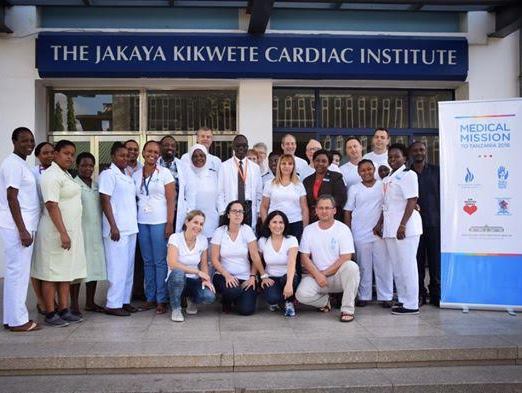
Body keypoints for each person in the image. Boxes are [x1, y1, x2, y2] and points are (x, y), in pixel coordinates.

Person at [32, 139, 87, 327]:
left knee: (65, 272)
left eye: (72, 154)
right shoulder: (50, 176)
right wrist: (63, 233)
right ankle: (50, 312)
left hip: (68, 232)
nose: (70, 157)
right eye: (66, 153)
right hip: (55, 233)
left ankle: (64, 309)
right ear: (55, 154)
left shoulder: (64, 174)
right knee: (50, 272)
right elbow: (51, 205)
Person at [0, 127, 41, 332]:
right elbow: (11, 197)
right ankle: (18, 321)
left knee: (15, 273)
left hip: (21, 225)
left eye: (31, 140)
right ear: (14, 141)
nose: (29, 144)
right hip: (18, 227)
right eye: (24, 141)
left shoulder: (20, 163)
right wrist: (23, 230)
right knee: (18, 274)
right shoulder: (12, 164)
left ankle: (11, 318)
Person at [374, 143, 422, 315]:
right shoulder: (389, 178)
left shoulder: (409, 175)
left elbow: (412, 200)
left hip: (405, 228)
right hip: (390, 228)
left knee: (407, 265)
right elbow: (386, 205)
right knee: (397, 266)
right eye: (390, 157)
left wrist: (402, 225)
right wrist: (380, 224)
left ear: (405, 158)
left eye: (396, 156)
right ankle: (403, 299)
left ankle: (411, 304)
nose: (392, 159)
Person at [296, 195, 360, 322]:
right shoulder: (309, 230)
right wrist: (317, 275)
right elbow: (304, 257)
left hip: (338, 277)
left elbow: (346, 257)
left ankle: (347, 309)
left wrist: (323, 274)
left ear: (334, 210)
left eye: (327, 208)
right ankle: (325, 301)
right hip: (317, 277)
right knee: (301, 295)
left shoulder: (342, 229)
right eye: (320, 208)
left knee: (352, 267)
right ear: (316, 210)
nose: (324, 211)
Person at [133, 140, 175, 315]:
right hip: (142, 222)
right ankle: (150, 298)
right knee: (147, 262)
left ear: (159, 155)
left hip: (160, 222)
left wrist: (169, 223)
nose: (152, 154)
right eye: (149, 151)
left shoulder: (165, 173)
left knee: (159, 262)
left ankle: (161, 299)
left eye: (156, 152)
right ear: (143, 153)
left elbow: (171, 200)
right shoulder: (136, 174)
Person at [344, 159, 392, 308]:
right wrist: (348, 232)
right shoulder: (354, 189)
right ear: (359, 173)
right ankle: (364, 295)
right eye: (363, 170)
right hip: (360, 232)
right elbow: (348, 211)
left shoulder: (382, 186)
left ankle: (386, 296)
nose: (367, 172)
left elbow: (387, 207)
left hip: (379, 232)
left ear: (374, 169)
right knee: (363, 265)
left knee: (383, 264)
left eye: (369, 169)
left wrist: (381, 224)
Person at [98, 142, 139, 317]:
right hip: (117, 229)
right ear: (113, 156)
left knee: (128, 267)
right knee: (117, 267)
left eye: (126, 155)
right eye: (121, 155)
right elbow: (105, 200)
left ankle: (124, 300)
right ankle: (113, 304)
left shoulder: (128, 174)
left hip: (130, 227)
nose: (125, 158)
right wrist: (113, 226)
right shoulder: (108, 174)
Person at [211, 200, 270, 316]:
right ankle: (227, 300)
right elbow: (214, 259)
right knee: (232, 290)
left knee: (247, 310)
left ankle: (237, 297)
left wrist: (254, 276)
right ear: (228, 214)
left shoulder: (247, 230)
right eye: (234, 211)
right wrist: (227, 275)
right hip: (224, 276)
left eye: (240, 211)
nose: (237, 214)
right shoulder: (220, 232)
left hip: (245, 277)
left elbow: (255, 256)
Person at [70, 152, 107, 315]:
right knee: (78, 270)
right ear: (77, 166)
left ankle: (90, 302)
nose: (87, 168)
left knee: (94, 268)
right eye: (84, 165)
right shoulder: (73, 185)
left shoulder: (97, 186)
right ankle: (73, 305)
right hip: (80, 232)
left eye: (91, 165)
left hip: (95, 232)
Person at [166, 210, 216, 322]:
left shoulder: (202, 240)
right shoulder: (175, 238)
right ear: (187, 222)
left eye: (201, 224)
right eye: (195, 222)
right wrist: (197, 272)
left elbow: (203, 264)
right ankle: (176, 308)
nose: (198, 226)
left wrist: (206, 279)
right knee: (178, 273)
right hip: (176, 280)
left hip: (193, 281)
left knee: (209, 296)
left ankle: (192, 300)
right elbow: (172, 263)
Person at [409, 141, 441, 307]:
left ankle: (436, 293)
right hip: (414, 224)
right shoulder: (407, 173)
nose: (418, 152)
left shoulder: (437, 171)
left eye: (421, 149)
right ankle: (420, 293)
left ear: (425, 151)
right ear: (411, 153)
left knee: (435, 261)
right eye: (415, 150)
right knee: (417, 260)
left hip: (434, 223)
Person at [258, 211, 298, 317]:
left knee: (290, 280)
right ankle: (279, 301)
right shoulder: (262, 241)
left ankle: (289, 302)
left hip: (288, 276)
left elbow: (292, 262)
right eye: (274, 222)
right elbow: (256, 261)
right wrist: (263, 277)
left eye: (281, 222)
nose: (278, 226)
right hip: (271, 277)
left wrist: (289, 284)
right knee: (272, 298)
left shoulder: (291, 240)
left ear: (285, 225)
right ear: (268, 224)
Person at [217, 134, 262, 229]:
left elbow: (259, 193)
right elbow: (219, 192)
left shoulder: (255, 168)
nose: (241, 148)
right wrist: (223, 211)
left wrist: (258, 211)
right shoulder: (224, 166)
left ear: (247, 147)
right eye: (238, 146)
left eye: (244, 146)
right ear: (233, 147)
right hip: (231, 210)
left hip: (249, 210)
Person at [260, 154, 309, 241]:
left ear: (293, 166)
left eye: (290, 164)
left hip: (295, 224)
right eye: (283, 163)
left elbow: (304, 208)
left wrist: (305, 229)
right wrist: (266, 225)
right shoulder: (269, 184)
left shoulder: (299, 185)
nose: (287, 166)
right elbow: (264, 207)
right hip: (275, 225)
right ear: (279, 165)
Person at [31, 141, 54, 315]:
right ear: (38, 155)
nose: (49, 155)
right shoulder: (32, 173)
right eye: (45, 153)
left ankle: (52, 300)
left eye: (52, 152)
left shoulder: (59, 172)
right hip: (37, 222)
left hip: (54, 223)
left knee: (50, 263)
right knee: (37, 264)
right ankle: (41, 300)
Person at [124, 139, 145, 302]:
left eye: (135, 149)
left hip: (141, 218)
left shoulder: (143, 170)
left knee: (139, 258)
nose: (132, 152)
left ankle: (137, 291)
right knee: (124, 259)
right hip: (124, 220)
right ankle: (123, 293)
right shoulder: (118, 169)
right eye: (129, 149)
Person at [185, 144, 220, 239]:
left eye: (202, 155)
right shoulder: (186, 175)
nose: (198, 158)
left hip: (212, 221)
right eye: (195, 156)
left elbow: (219, 197)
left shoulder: (214, 175)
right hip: (192, 221)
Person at [159, 135, 193, 232]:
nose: (170, 147)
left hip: (177, 213)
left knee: (175, 243)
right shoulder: (154, 165)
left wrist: (188, 216)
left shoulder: (184, 167)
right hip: (158, 213)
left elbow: (190, 193)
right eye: (166, 145)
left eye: (173, 145)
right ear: (160, 147)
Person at [303, 149, 347, 223]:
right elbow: (305, 202)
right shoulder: (307, 181)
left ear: (329, 164)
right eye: (317, 160)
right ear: (313, 162)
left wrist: (322, 209)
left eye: (324, 161)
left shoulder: (336, 177)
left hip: (332, 218)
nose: (320, 163)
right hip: (313, 219)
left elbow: (341, 197)